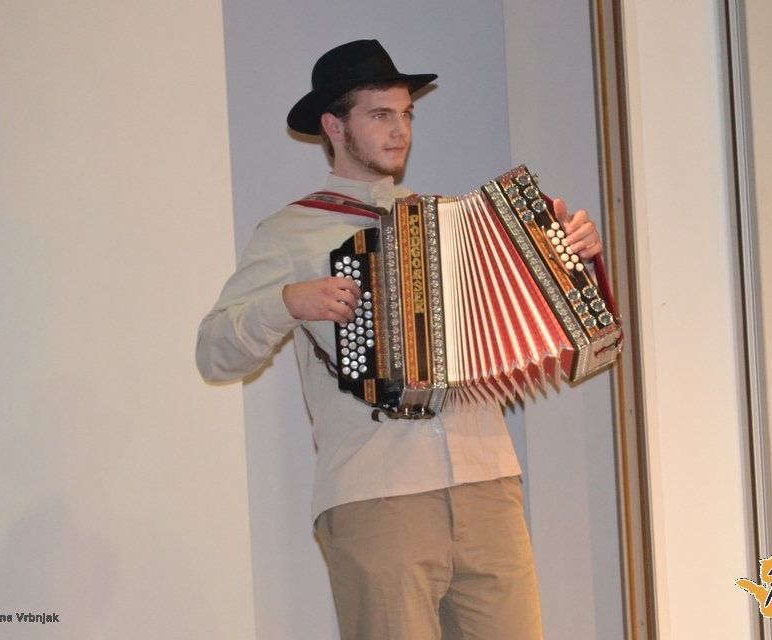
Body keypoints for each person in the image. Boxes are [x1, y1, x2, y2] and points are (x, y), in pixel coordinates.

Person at [196, 39, 603, 640]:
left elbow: (541, 322)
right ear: (334, 126)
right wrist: (287, 303)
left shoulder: (455, 222)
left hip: (487, 483)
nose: (400, 130)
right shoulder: (288, 233)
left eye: (406, 114)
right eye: (380, 114)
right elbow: (214, 352)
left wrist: (570, 261)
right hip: (377, 493)